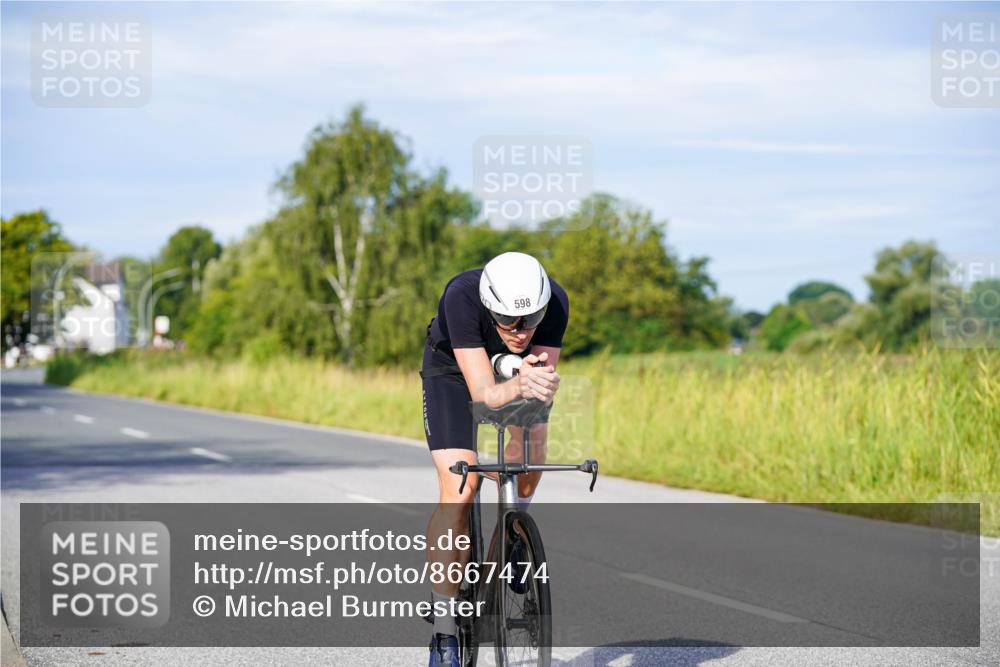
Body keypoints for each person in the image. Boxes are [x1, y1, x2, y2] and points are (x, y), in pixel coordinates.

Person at [421, 251, 569, 666]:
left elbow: (537, 382)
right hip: (453, 371)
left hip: (515, 372)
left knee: (532, 445)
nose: (521, 330)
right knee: (461, 487)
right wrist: (518, 381)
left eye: (532, 319)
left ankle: (514, 536)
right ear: (489, 305)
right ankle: (445, 633)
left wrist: (535, 383)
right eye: (508, 321)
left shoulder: (555, 301)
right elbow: (484, 393)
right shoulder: (461, 296)